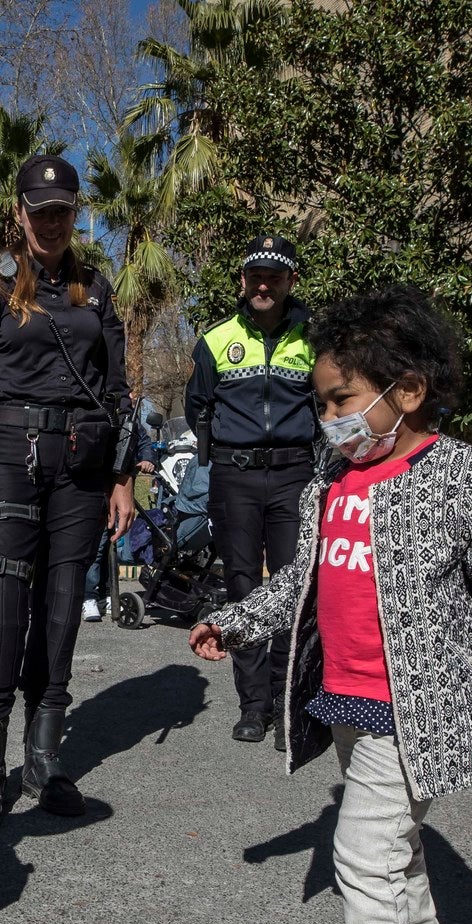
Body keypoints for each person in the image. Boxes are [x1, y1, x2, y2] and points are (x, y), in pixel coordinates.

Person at [189, 286, 472, 924]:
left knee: (362, 854)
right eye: (322, 404)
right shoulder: (334, 479)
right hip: (350, 700)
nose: (329, 419)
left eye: (342, 401)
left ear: (408, 392)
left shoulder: (461, 475)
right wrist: (239, 620)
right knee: (395, 845)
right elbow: (300, 583)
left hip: (414, 711)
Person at [0, 153, 136, 828]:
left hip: (80, 468)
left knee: (59, 609)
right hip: (5, 460)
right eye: (39, 211)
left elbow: (117, 389)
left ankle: (45, 759)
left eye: (62, 213)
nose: (50, 223)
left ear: (76, 216)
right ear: (19, 214)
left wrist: (122, 477)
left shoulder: (97, 290)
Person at [184, 234, 318, 744]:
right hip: (234, 477)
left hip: (294, 475)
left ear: (290, 282)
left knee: (293, 589)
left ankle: (288, 706)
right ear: (243, 281)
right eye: (256, 276)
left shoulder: (314, 338)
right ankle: (253, 705)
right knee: (242, 586)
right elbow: (199, 405)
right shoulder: (216, 339)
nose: (264, 285)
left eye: (275, 277)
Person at [83, 400, 157, 621]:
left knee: (110, 545)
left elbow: (143, 443)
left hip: (121, 488)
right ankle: (88, 595)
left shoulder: (131, 422)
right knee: (97, 546)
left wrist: (147, 459)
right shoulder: (98, 417)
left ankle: (105, 593)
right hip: (99, 489)